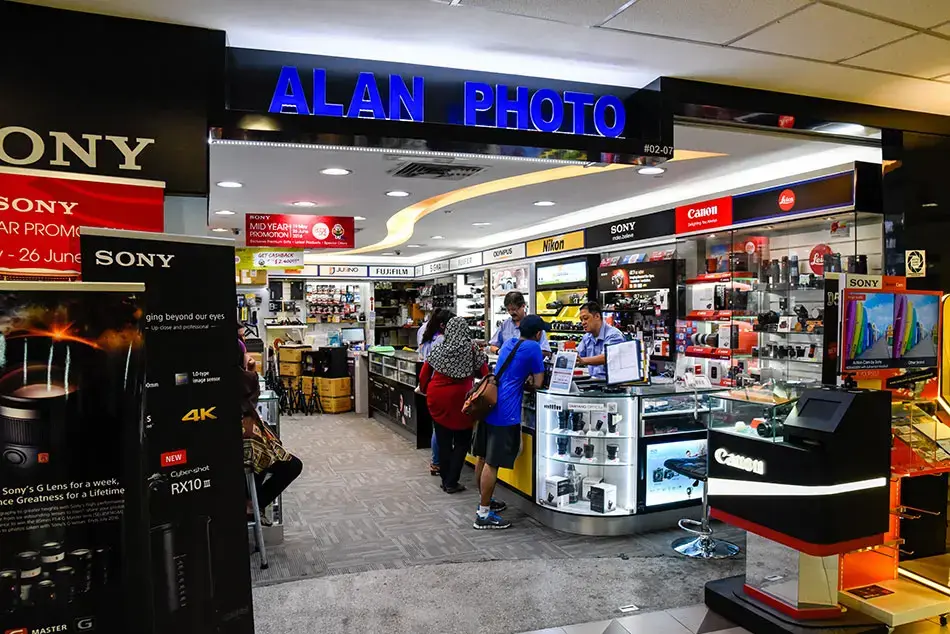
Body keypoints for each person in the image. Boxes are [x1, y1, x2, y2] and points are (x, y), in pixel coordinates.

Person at [473, 314, 548, 530]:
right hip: (506, 413)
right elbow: (539, 382)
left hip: (490, 406)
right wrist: (530, 380)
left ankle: (485, 500)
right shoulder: (533, 348)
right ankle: (483, 513)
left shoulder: (508, 343)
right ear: (538, 333)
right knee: (493, 463)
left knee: (482, 457)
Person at [419, 317, 489, 494]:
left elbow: (424, 373)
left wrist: (427, 390)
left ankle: (445, 478)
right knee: (462, 442)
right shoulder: (471, 347)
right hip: (461, 399)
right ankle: (451, 481)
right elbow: (485, 372)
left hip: (438, 398)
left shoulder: (439, 347)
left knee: (443, 441)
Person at [240, 345, 303, 525]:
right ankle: (253, 503)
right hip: (248, 452)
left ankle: (252, 503)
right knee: (289, 465)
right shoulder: (245, 379)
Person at [418, 308, 453, 476]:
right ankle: (438, 462)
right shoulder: (441, 341)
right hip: (440, 385)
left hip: (431, 387)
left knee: (437, 426)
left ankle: (437, 462)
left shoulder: (426, 338)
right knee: (440, 428)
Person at [490, 291, 551, 357]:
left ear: (523, 306)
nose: (511, 313)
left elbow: (546, 352)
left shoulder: (535, 324)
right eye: (508, 310)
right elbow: (493, 346)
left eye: (514, 309)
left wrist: (524, 354)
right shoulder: (504, 325)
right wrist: (500, 351)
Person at [576, 301, 626, 379]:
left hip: (612, 384)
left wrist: (583, 360)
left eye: (586, 318)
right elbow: (578, 354)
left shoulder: (614, 335)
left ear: (597, 316)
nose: (583, 323)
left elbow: (607, 357)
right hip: (594, 381)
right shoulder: (587, 337)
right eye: (581, 320)